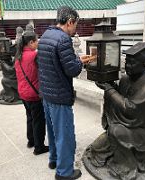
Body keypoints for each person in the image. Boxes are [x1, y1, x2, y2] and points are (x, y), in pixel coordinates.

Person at [85, 42, 145, 179]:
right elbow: (118, 96)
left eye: (132, 64)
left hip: (141, 130)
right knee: (96, 148)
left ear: (143, 64)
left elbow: (131, 108)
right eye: (127, 62)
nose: (128, 66)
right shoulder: (126, 78)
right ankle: (115, 148)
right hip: (123, 124)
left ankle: (126, 166)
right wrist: (108, 84)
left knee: (115, 132)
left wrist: (110, 90)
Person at [37, 5, 90, 180]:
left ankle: (54, 160)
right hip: (59, 96)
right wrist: (81, 62)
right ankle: (64, 172)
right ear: (69, 22)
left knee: (52, 131)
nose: (75, 29)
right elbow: (72, 70)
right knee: (65, 135)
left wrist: (75, 59)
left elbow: (54, 64)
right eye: (75, 25)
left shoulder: (45, 36)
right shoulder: (63, 39)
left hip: (46, 93)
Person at [14, 31, 49, 155]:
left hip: (23, 93)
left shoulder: (18, 56)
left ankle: (31, 141)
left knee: (30, 117)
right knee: (38, 120)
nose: (38, 42)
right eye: (36, 40)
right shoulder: (34, 56)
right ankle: (39, 147)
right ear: (31, 42)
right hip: (34, 94)